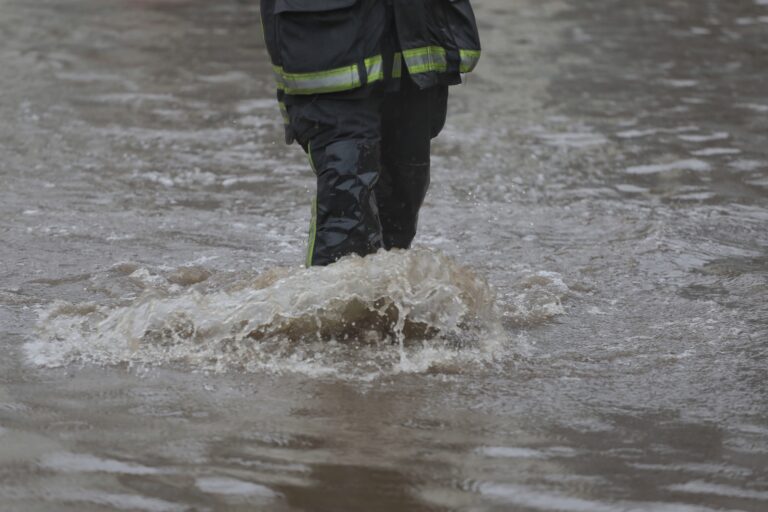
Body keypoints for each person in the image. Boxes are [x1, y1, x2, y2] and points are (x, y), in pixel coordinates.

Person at [260, 0, 481, 266]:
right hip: (330, 41)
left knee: (399, 211)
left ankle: (379, 291)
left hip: (415, 39)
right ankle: (331, 290)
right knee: (347, 213)